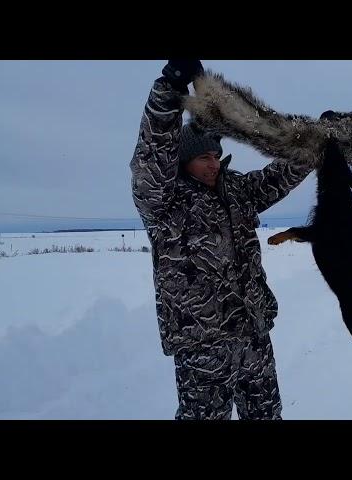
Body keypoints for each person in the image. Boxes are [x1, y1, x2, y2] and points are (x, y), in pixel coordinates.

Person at [130, 60, 314, 420]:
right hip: (202, 345)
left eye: (216, 155)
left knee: (266, 415)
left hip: (253, 334)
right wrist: (169, 93)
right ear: (183, 160)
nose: (213, 163)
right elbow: (153, 153)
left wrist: (313, 145)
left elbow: (277, 176)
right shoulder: (164, 203)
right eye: (203, 156)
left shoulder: (238, 191)